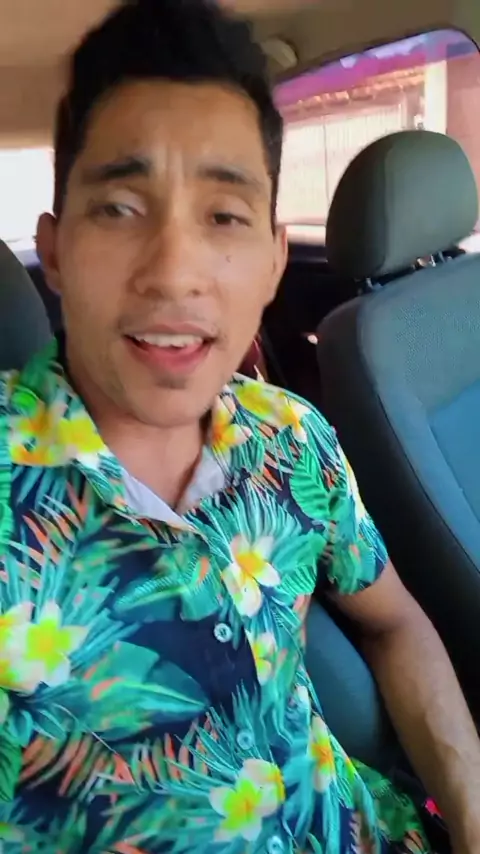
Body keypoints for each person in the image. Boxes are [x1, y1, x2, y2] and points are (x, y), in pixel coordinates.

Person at [1, 1, 479, 851]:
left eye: (223, 216)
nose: (174, 272)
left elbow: (393, 619)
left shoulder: (292, 438)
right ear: (58, 252)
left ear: (272, 262)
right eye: (120, 208)